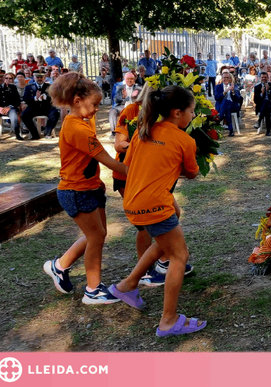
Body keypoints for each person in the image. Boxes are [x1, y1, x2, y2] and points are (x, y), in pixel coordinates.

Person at [109, 85, 206, 337]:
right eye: (191, 111)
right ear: (176, 113)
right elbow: (193, 172)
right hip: (154, 204)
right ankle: (168, 320)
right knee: (179, 255)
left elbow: (127, 166)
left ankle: (128, 284)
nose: (192, 116)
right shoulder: (185, 139)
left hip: (133, 200)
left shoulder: (144, 131)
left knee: (170, 230)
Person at [42, 73, 128, 304]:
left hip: (90, 187)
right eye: (95, 104)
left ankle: (60, 266)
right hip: (76, 191)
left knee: (97, 235)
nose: (97, 110)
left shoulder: (83, 121)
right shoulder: (77, 128)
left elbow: (86, 161)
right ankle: (93, 290)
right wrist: (139, 173)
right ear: (78, 100)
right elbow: (106, 159)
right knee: (96, 236)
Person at [21, 72, 60, 139]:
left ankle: (47, 132)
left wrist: (45, 97)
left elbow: (54, 97)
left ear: (44, 78)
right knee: (24, 115)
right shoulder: (29, 87)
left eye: (41, 77)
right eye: (37, 77)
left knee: (56, 113)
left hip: (47, 108)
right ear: (34, 78)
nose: (39, 79)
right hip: (34, 108)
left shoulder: (49, 86)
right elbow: (25, 98)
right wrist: (35, 98)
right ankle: (35, 134)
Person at [109, 72, 142, 137]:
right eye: (128, 79)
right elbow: (115, 99)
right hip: (122, 106)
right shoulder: (120, 87)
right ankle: (115, 131)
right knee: (112, 111)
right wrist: (123, 97)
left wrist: (135, 97)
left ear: (134, 79)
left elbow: (142, 99)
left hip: (133, 106)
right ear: (125, 79)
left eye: (131, 79)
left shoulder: (139, 88)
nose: (129, 81)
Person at [0, 73, 22, 140]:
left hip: (10, 108)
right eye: (6, 78)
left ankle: (17, 134)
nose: (8, 80)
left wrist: (9, 106)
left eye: (10, 78)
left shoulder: (13, 87)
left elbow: (18, 100)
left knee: (14, 116)